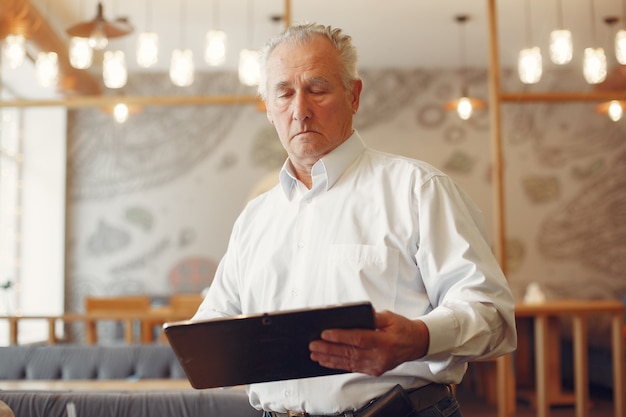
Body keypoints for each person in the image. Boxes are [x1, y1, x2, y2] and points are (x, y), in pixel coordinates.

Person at [193, 23, 517, 417]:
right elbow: (212, 325)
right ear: (268, 108)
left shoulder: (418, 189)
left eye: (317, 89)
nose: (300, 110)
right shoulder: (254, 218)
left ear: (354, 95)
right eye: (284, 93)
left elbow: (493, 316)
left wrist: (421, 337)